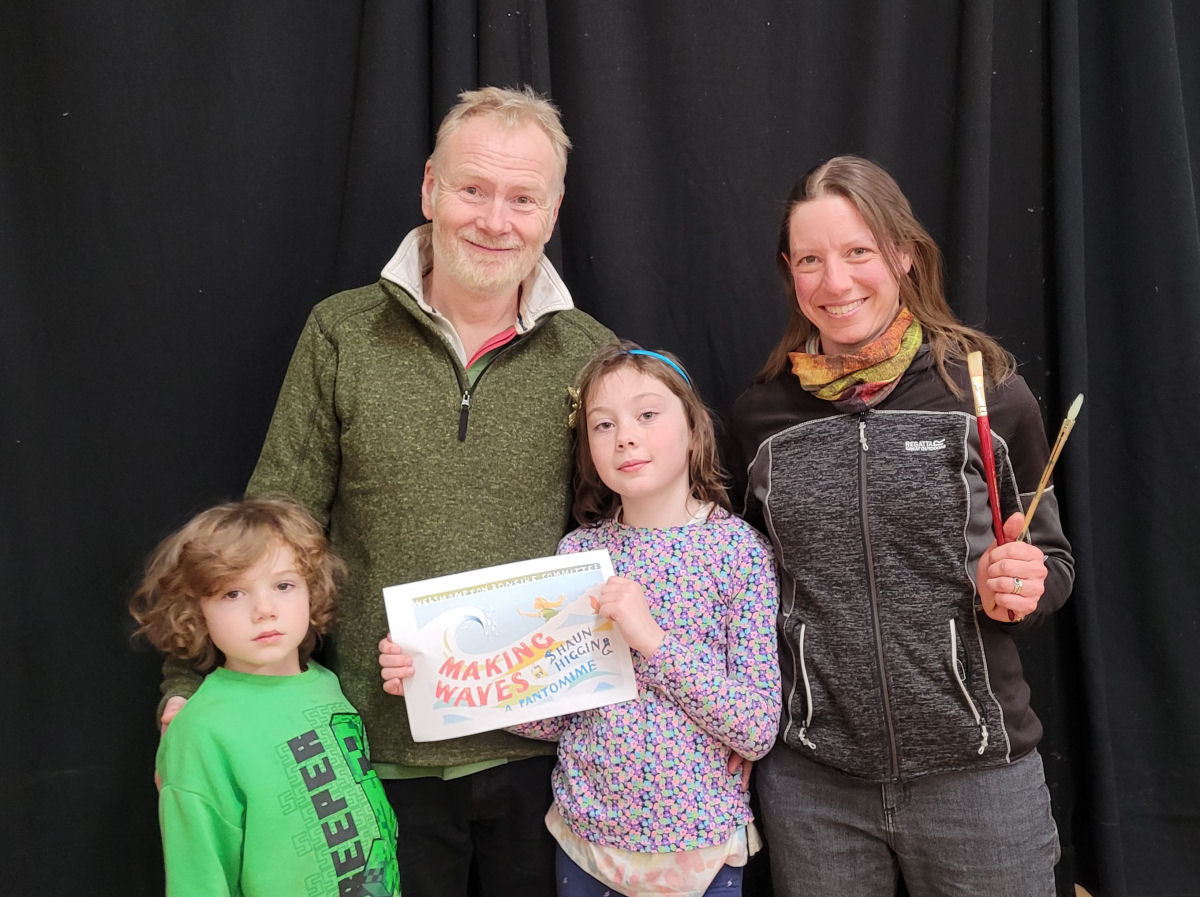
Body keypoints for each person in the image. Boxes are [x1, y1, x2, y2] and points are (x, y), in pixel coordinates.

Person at [158, 86, 614, 897]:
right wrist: (188, 682)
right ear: (431, 187)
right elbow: (271, 527)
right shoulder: (341, 331)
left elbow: (628, 537)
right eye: (473, 189)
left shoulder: (593, 351)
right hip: (372, 750)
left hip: (552, 756)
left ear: (553, 212)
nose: (494, 219)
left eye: (522, 198)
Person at [729, 155, 1074, 897]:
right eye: (812, 260)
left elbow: (1051, 556)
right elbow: (745, 582)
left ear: (904, 254)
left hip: (979, 775)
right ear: (790, 271)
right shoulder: (761, 416)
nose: (837, 281)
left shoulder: (987, 392)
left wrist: (1028, 584)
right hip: (814, 787)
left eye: (859, 252)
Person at [383, 342, 782, 897]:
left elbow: (756, 729)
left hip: (703, 848)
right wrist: (437, 678)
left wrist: (651, 641)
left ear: (694, 428)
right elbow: (552, 713)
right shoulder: (577, 558)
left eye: (647, 415)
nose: (625, 436)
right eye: (603, 424)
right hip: (587, 843)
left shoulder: (739, 554)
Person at [130, 498, 401, 897]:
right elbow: (199, 878)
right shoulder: (201, 730)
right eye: (233, 593)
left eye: (283, 585)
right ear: (195, 608)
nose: (264, 610)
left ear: (312, 590)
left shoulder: (326, 684)